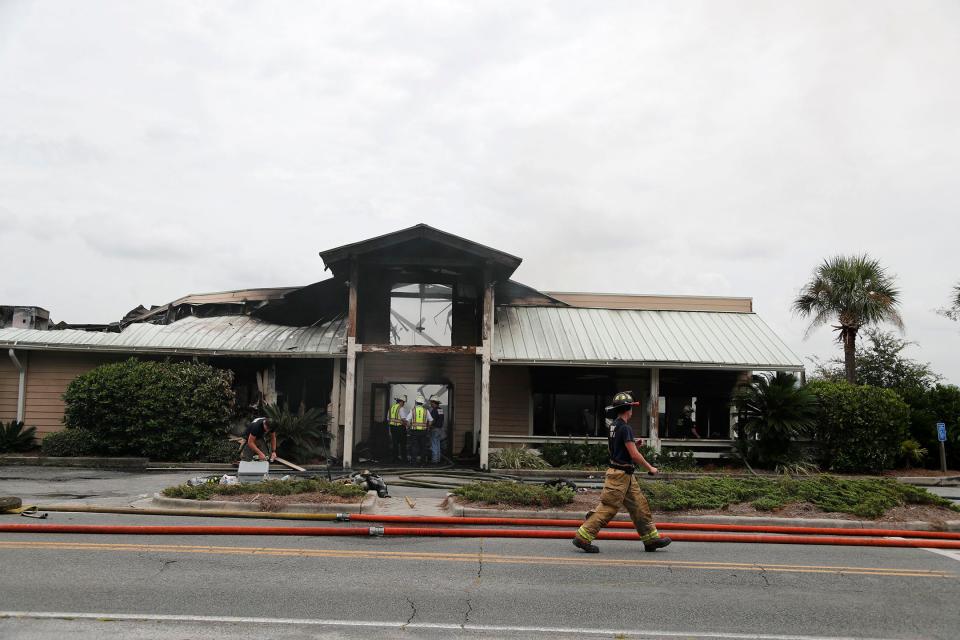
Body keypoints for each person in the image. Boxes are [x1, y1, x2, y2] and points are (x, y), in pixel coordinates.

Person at [572, 391, 672, 554]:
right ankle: (583, 536)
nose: (632, 410)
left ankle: (651, 540)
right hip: (619, 476)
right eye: (632, 407)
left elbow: (619, 448)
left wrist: (633, 443)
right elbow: (634, 455)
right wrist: (650, 468)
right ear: (628, 409)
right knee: (608, 508)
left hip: (625, 475)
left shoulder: (614, 425)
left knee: (640, 506)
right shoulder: (625, 428)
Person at [407, 395, 433, 464]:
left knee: (414, 447)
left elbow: (408, 421)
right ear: (423, 403)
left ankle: (413, 462)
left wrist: (409, 427)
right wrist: (428, 427)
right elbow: (430, 421)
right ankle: (423, 462)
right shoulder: (426, 411)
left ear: (416, 402)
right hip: (423, 432)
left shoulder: (412, 410)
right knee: (423, 447)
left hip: (414, 431)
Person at [387, 395, 410, 463]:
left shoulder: (391, 408)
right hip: (400, 428)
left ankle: (395, 458)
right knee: (403, 444)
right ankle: (404, 459)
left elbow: (388, 419)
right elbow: (403, 419)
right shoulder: (401, 408)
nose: (404, 404)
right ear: (401, 401)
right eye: (403, 402)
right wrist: (408, 425)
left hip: (392, 428)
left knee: (395, 443)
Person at [428, 396, 445, 464]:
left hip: (434, 429)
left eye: (431, 402)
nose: (431, 404)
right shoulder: (441, 410)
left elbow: (432, 420)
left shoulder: (434, 410)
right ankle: (438, 459)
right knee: (437, 445)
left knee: (434, 445)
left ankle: (434, 460)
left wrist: (428, 426)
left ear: (433, 402)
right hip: (440, 429)